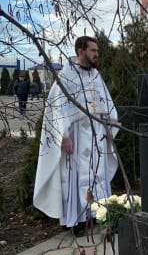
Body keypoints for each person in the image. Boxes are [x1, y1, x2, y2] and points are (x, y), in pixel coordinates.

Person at [33, 36, 118, 237]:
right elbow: (56, 108)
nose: (96, 54)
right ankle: (77, 220)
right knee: (77, 178)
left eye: (97, 51)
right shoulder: (67, 76)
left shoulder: (96, 76)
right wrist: (64, 136)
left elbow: (107, 105)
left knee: (97, 175)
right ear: (80, 51)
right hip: (77, 136)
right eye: (93, 50)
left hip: (97, 133)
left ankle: (97, 213)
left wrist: (108, 129)